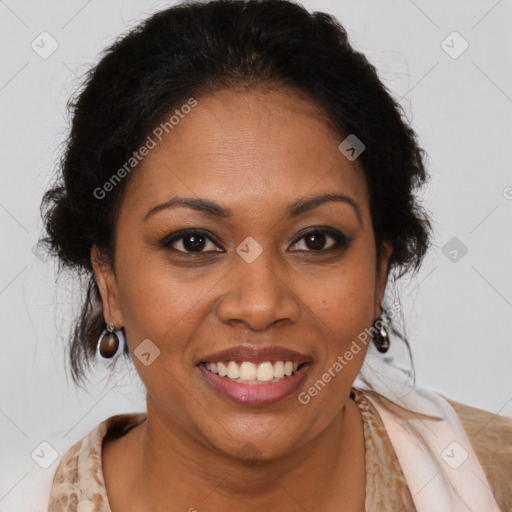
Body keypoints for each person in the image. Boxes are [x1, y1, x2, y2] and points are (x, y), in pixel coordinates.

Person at [37, 0, 511, 510]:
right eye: (193, 242)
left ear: (378, 274)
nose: (260, 305)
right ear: (108, 281)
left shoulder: (496, 478)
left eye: (315, 240)